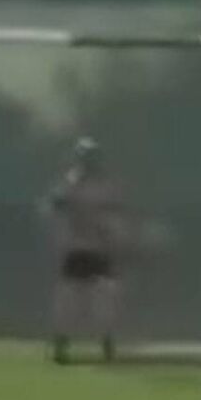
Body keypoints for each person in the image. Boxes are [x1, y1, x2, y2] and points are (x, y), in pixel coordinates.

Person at [40, 137, 127, 364]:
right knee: (70, 299)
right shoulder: (71, 184)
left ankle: (105, 345)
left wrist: (110, 234)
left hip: (97, 250)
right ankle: (63, 345)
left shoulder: (102, 186)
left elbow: (114, 218)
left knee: (102, 299)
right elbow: (53, 208)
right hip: (78, 249)